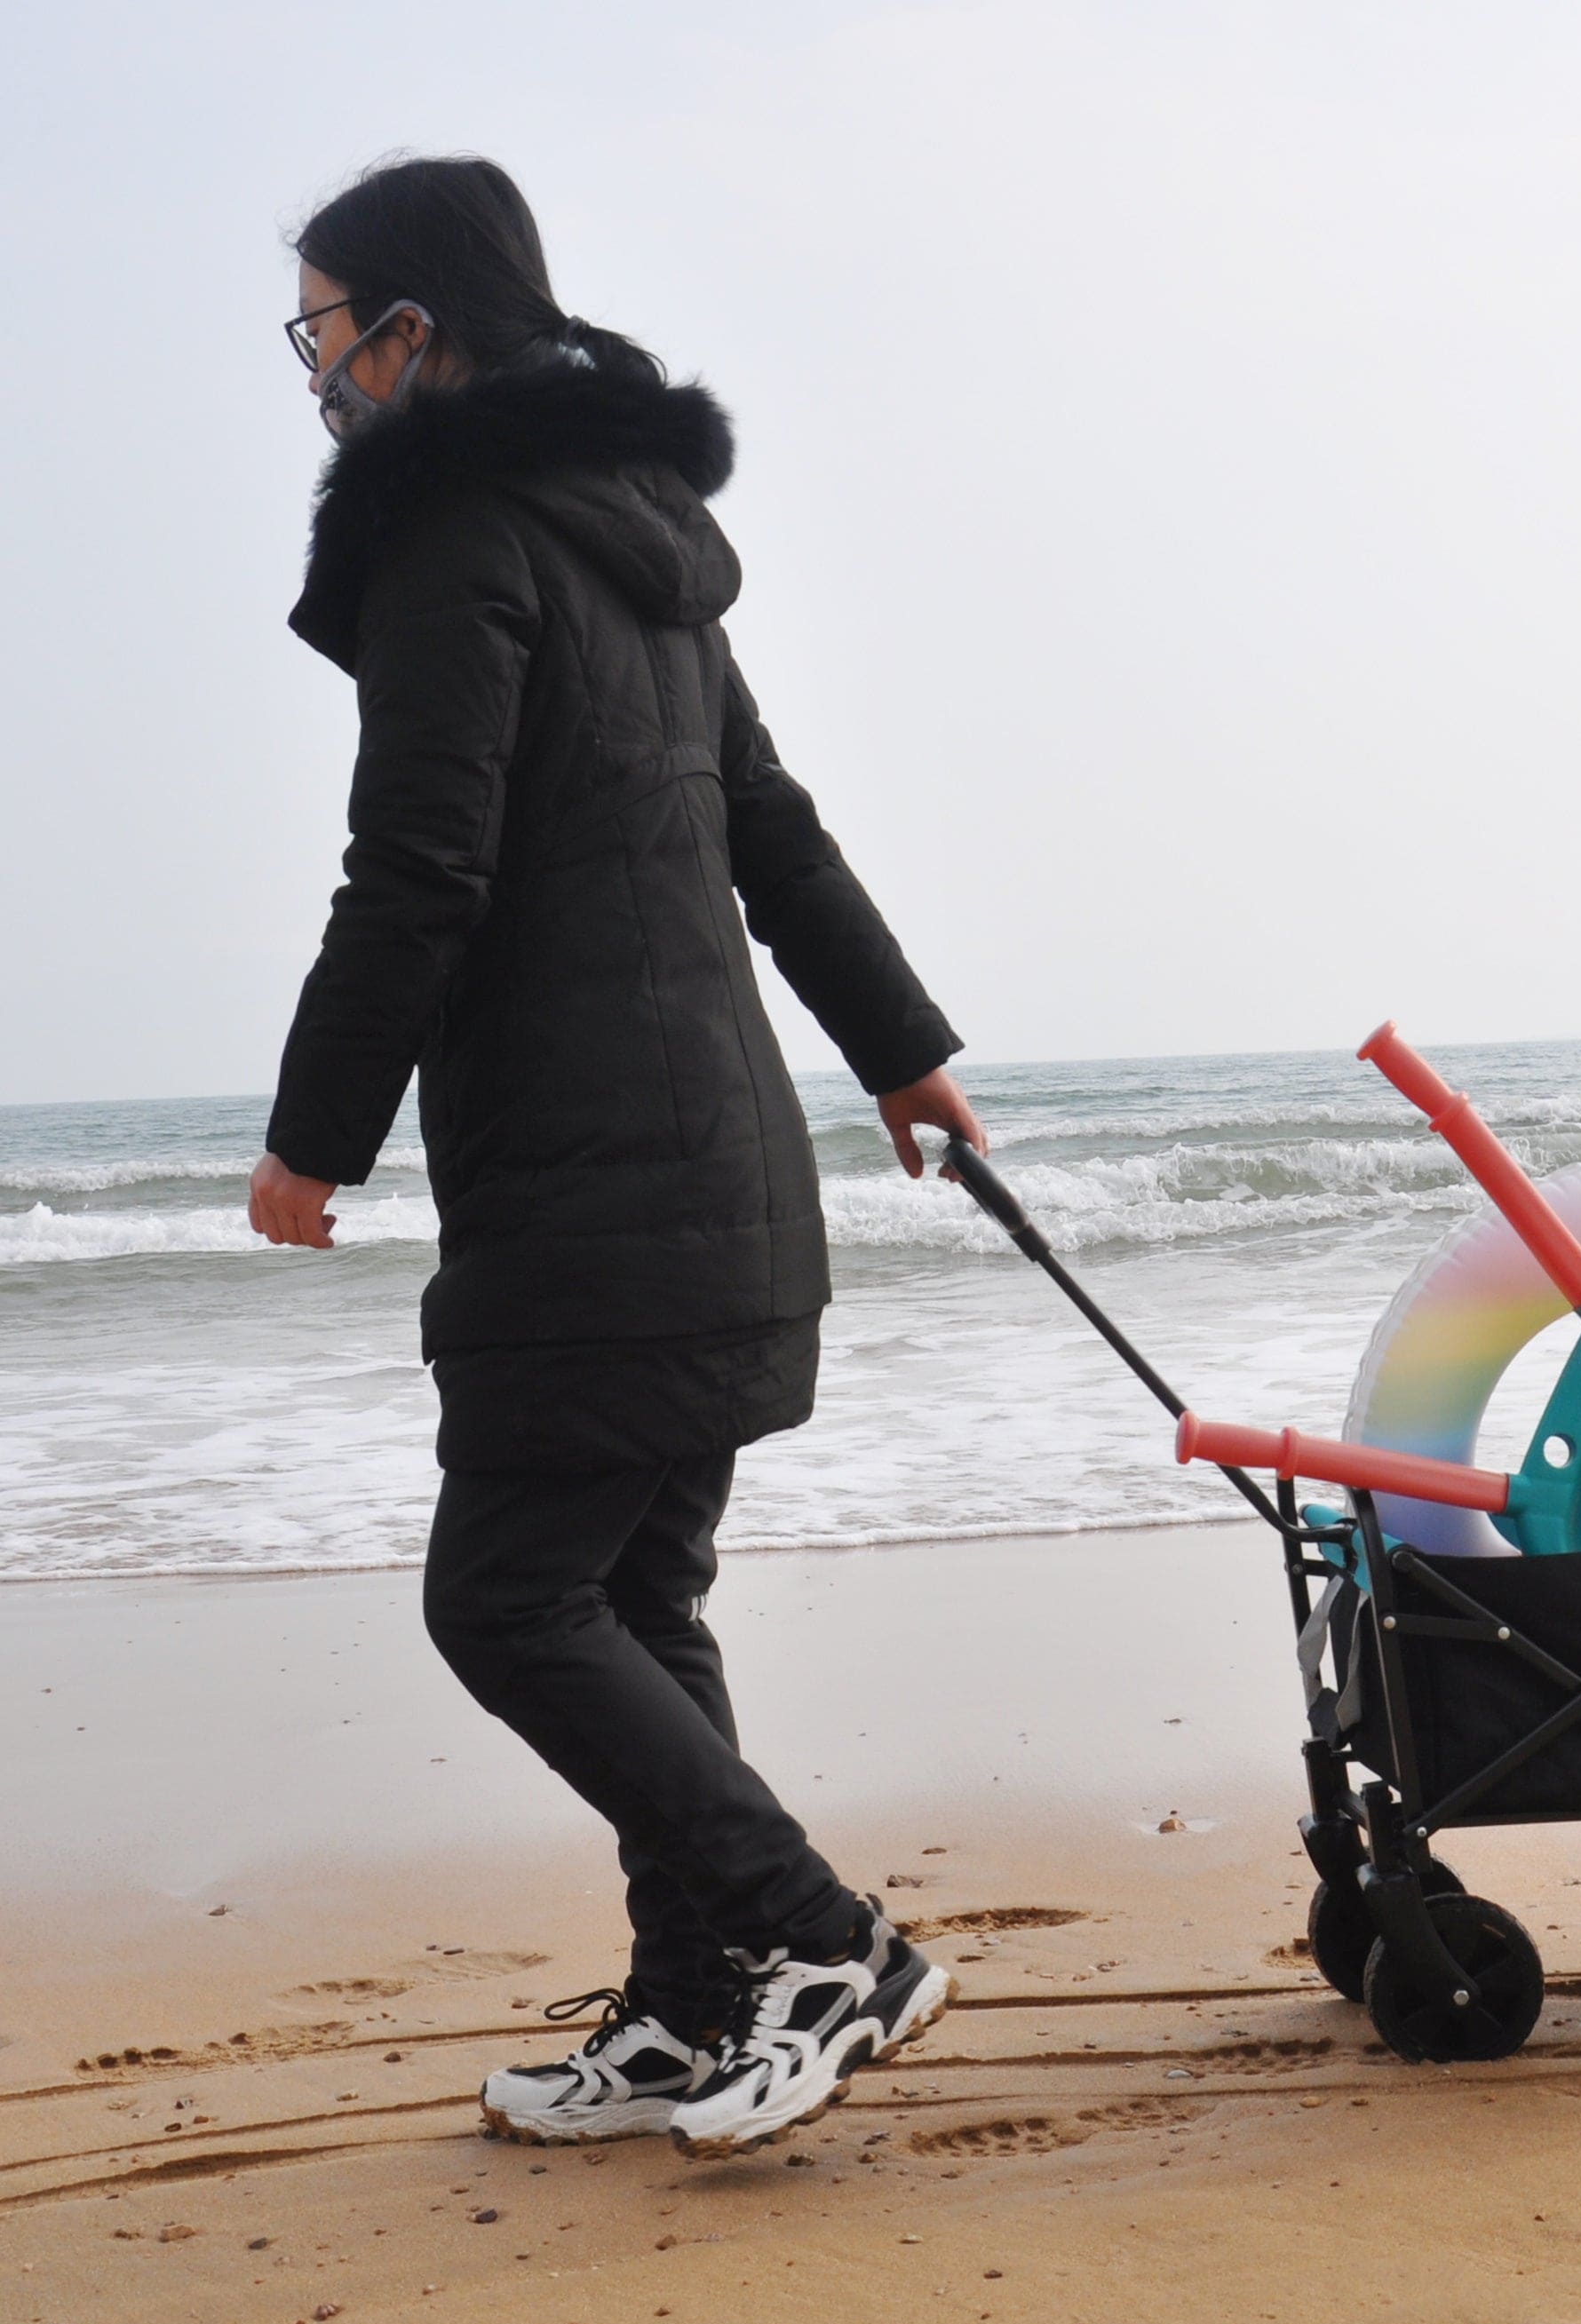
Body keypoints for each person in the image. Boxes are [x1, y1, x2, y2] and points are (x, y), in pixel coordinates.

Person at [250, 155, 976, 2159]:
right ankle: (686, 2004)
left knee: (501, 1595)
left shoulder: (456, 531)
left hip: (588, 1188)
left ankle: (819, 1941)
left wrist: (317, 1134)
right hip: (723, 1173)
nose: (312, 372)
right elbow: (775, 827)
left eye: (321, 329)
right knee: (634, 1598)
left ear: (412, 328)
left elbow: (416, 867)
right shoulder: (633, 537)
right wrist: (903, 1053)